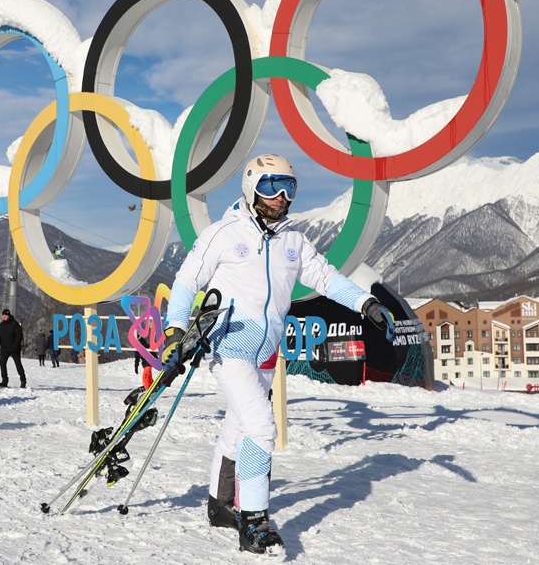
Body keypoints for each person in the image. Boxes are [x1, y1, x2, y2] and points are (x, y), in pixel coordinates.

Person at [164, 154, 395, 558]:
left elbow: (326, 277)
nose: (281, 196)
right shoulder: (223, 233)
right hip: (228, 346)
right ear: (251, 186)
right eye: (271, 186)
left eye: (289, 187)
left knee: (239, 426)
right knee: (261, 427)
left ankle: (220, 505)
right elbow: (186, 281)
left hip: (267, 352)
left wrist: (365, 303)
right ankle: (254, 521)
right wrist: (175, 330)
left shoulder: (293, 241)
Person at [0, 309, 26, 388]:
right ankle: (4, 381)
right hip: (4, 348)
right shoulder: (1, 326)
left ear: (9, 316)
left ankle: (23, 380)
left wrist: (15, 346)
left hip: (14, 348)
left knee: (18, 364)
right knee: (2, 364)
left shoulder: (15, 324)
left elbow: (19, 337)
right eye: (3, 315)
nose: (4, 317)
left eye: (6, 315)